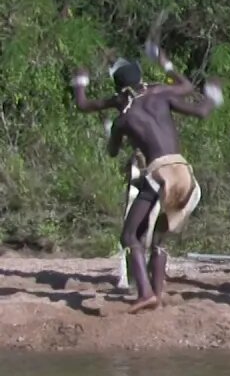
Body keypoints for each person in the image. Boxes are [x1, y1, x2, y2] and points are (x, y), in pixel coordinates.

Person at [102, 56, 221, 313]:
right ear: (141, 80)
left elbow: (112, 151)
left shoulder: (124, 117)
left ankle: (145, 293)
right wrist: (213, 94)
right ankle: (156, 293)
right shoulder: (160, 96)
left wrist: (111, 130)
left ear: (120, 89)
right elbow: (202, 110)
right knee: (157, 238)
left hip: (160, 175)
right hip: (185, 173)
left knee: (129, 235)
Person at [71, 52, 191, 289]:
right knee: (155, 233)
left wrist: (81, 83)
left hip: (146, 170)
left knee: (132, 228)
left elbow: (84, 104)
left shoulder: (122, 101)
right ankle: (153, 285)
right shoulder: (156, 91)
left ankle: (140, 283)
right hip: (172, 169)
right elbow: (186, 86)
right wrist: (165, 62)